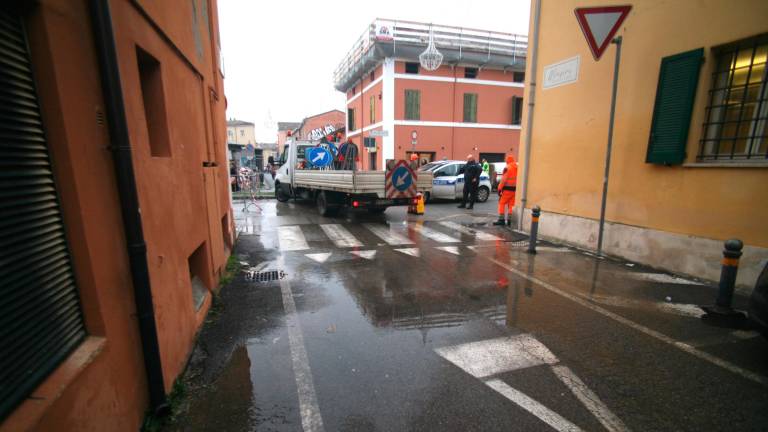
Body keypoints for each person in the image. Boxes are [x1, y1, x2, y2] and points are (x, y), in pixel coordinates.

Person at [494, 155, 518, 226]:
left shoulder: (507, 168)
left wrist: (499, 188)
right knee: (511, 205)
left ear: (508, 160)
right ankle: (510, 220)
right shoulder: (518, 167)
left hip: (507, 189)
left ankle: (501, 220)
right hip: (515, 190)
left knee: (501, 203)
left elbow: (503, 180)